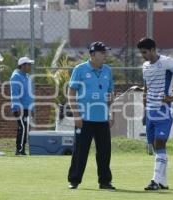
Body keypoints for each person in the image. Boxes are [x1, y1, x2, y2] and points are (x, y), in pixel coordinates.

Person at [137, 38, 173, 190]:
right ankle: (163, 181)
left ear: (153, 49)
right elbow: (146, 89)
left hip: (164, 110)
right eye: (141, 53)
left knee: (160, 143)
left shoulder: (167, 62)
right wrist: (145, 112)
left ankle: (155, 181)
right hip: (151, 112)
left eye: (145, 52)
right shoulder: (145, 66)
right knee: (156, 147)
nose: (143, 56)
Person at [67, 41, 116, 190]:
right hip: (84, 119)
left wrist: (111, 113)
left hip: (102, 119)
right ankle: (74, 180)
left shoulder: (107, 70)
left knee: (104, 152)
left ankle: (105, 181)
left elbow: (110, 93)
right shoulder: (80, 70)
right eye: (103, 53)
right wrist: (76, 115)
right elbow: (71, 93)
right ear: (93, 54)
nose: (105, 55)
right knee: (80, 152)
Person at [10, 57, 34, 156]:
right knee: (22, 127)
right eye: (28, 64)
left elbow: (29, 94)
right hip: (19, 108)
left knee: (26, 128)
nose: (30, 66)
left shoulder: (27, 76)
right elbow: (15, 93)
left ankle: (22, 150)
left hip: (27, 107)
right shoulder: (16, 76)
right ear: (22, 65)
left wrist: (32, 108)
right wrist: (17, 106)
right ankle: (19, 150)